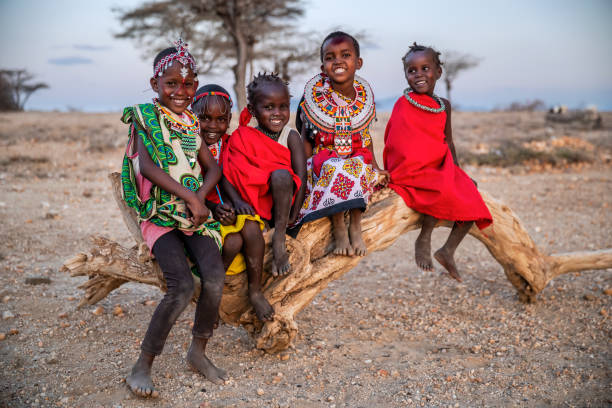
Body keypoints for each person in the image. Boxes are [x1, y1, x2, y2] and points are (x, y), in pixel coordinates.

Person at [120, 39, 228, 398]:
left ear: (194, 85)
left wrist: (198, 200)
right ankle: (142, 366)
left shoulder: (190, 123)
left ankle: (198, 351)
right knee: (180, 286)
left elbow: (213, 167)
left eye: (187, 83)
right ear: (155, 85)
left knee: (214, 277)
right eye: (171, 83)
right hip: (160, 216)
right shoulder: (144, 119)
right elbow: (147, 167)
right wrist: (191, 198)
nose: (180, 91)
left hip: (192, 214)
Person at [383, 42, 493, 282]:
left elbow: (448, 141)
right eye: (412, 71)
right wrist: (430, 167)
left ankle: (448, 250)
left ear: (438, 72)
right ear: (406, 75)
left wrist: (456, 171)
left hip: (435, 165)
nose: (419, 75)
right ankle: (425, 235)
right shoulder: (404, 103)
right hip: (409, 169)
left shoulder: (444, 106)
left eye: (425, 68)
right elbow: (397, 142)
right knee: (440, 184)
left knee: (471, 192)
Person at [295, 31, 389, 257]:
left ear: (358, 63)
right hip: (323, 160)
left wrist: (375, 166)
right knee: (335, 167)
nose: (337, 61)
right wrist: (302, 175)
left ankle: (355, 225)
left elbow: (366, 139)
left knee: (361, 166)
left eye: (345, 55)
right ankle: (339, 227)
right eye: (330, 57)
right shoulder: (311, 99)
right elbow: (305, 139)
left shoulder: (364, 99)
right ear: (322, 66)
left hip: (356, 158)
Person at [191, 84, 274, 321]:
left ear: (229, 119)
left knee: (250, 227)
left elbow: (229, 176)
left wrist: (235, 203)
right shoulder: (188, 147)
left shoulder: (231, 143)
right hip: (203, 212)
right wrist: (214, 209)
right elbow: (192, 187)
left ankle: (255, 291)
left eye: (220, 119)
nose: (213, 126)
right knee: (232, 242)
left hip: (231, 206)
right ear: (192, 116)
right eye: (204, 118)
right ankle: (211, 295)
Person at [222, 73, 307, 277]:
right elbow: (234, 174)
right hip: (254, 206)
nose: (277, 113)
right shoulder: (244, 136)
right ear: (252, 110)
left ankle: (279, 238)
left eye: (283, 106)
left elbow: (301, 177)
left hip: (283, 204)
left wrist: (293, 214)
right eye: (269, 108)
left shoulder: (291, 136)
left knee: (280, 174)